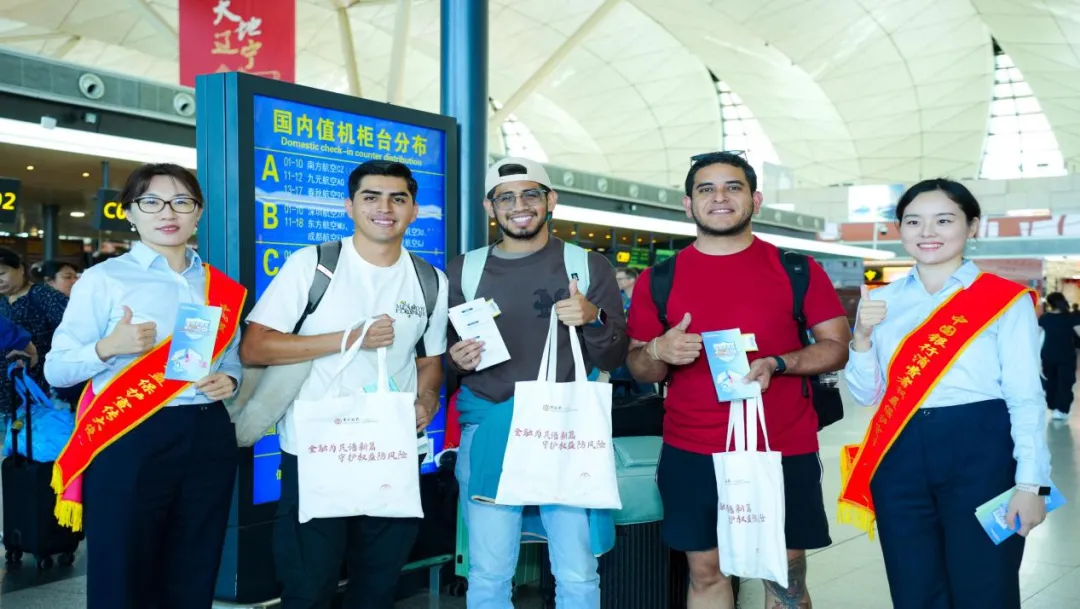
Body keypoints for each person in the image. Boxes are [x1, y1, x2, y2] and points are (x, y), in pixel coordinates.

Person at [625, 151, 850, 609]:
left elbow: (836, 347)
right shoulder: (659, 279)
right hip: (692, 447)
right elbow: (640, 367)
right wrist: (657, 351)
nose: (720, 197)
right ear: (688, 204)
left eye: (733, 187)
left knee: (784, 574)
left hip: (782, 445)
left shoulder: (797, 269)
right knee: (705, 573)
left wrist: (779, 363)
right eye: (706, 189)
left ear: (755, 199)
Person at [240, 160, 448, 609]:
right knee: (308, 586)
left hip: (390, 451)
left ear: (414, 210)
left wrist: (427, 398)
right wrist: (350, 338)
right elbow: (255, 348)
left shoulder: (430, 280)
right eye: (371, 197)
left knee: (378, 586)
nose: (384, 208)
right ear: (350, 207)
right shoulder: (314, 265)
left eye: (398, 198)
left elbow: (430, 360)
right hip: (317, 451)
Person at [44, 163, 246, 609]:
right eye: (151, 202)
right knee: (122, 566)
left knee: (196, 563)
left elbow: (230, 354)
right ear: (130, 213)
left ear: (199, 212)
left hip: (207, 433)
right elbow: (57, 370)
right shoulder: (104, 279)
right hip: (130, 434)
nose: (167, 213)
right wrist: (107, 348)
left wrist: (230, 377)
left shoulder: (221, 287)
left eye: (181, 202)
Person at [843, 178, 1051, 609]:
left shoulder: (1005, 300)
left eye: (943, 220)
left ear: (971, 226)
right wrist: (861, 336)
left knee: (986, 585)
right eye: (913, 221)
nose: (927, 232)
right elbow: (866, 394)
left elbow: (1026, 397)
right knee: (914, 587)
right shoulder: (881, 301)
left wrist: (1032, 484)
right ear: (899, 229)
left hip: (983, 452)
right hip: (900, 454)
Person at [446, 157, 627, 608]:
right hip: (488, 427)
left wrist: (593, 318)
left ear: (551, 200)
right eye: (505, 197)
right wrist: (455, 360)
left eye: (530, 194)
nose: (519, 206)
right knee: (488, 572)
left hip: (564, 431)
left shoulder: (586, 265)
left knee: (578, 571)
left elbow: (615, 356)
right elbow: (443, 355)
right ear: (490, 207)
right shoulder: (464, 270)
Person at [0, 248, 68, 416]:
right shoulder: (2, 300)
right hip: (5, 390)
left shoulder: (45, 296)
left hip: (37, 388)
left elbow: (72, 332)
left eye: (2, 273)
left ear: (21, 269)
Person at [1039, 292, 1079, 422]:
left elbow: (1036, 337)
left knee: (1051, 382)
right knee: (1065, 382)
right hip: (1067, 355)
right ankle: (1061, 409)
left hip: (1048, 354)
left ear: (1049, 303)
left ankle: (1053, 406)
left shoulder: (1044, 318)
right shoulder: (1071, 317)